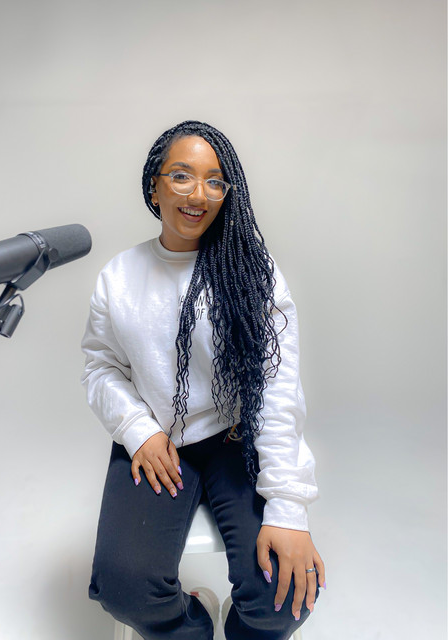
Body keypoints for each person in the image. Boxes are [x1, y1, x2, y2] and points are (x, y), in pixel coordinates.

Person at [81, 120, 325, 640]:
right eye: (182, 176)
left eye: (215, 181)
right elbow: (101, 366)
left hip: (236, 437)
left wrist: (288, 509)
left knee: (283, 599)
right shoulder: (119, 276)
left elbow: (278, 389)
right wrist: (137, 430)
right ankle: (194, 625)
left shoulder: (252, 273)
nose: (198, 195)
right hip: (157, 443)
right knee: (124, 589)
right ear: (154, 187)